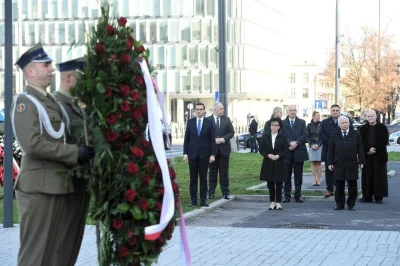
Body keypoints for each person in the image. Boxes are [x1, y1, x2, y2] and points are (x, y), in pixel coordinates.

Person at [11, 43, 94, 265]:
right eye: (46, 65)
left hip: (55, 185)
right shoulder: (25, 102)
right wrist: (74, 152)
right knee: (35, 255)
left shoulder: (49, 102)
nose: (51, 69)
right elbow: (33, 144)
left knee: (54, 253)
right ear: (30, 70)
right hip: (38, 186)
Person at [53, 57, 91, 266]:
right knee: (62, 241)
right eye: (81, 79)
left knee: (73, 242)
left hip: (79, 185)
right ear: (68, 77)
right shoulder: (56, 105)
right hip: (66, 182)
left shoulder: (75, 106)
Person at [328, 115, 365, 211]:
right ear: (339, 125)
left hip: (352, 163)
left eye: (346, 122)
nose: (344, 124)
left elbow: (360, 148)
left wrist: (361, 161)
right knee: (339, 185)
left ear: (349, 123)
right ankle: (339, 204)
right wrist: (330, 163)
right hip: (338, 163)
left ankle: (351, 204)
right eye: (342, 123)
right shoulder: (334, 134)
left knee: (352, 185)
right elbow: (331, 150)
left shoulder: (355, 133)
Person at [183, 103, 216, 207]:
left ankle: (203, 200)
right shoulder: (190, 122)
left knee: (203, 178)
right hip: (192, 154)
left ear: (204, 111)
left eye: (201, 109)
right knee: (193, 179)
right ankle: (193, 201)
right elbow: (186, 139)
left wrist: (212, 154)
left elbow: (212, 141)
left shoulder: (209, 123)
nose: (199, 111)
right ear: (195, 111)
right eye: (197, 109)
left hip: (204, 155)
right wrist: (185, 153)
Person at [359, 110, 389, 204]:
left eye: (372, 116)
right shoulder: (362, 128)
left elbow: (384, 140)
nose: (370, 118)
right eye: (368, 116)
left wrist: (374, 149)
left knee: (379, 176)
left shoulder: (382, 127)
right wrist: (368, 149)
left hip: (379, 156)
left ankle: (378, 197)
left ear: (376, 116)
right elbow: (360, 142)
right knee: (367, 176)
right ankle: (367, 196)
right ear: (366, 117)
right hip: (367, 156)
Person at [259, 118, 289, 211]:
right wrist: (268, 155)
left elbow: (286, 150)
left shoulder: (283, 137)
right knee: (270, 183)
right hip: (268, 162)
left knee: (279, 183)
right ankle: (272, 201)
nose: (274, 127)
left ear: (279, 126)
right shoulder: (265, 136)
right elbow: (261, 150)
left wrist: (278, 156)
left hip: (279, 162)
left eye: (276, 125)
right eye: (272, 125)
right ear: (269, 126)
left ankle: (278, 202)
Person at [207, 102, 235, 200]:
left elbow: (231, 132)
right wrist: (213, 140)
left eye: (223, 108)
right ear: (215, 110)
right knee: (212, 173)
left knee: (224, 173)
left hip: (224, 150)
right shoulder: (208, 120)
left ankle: (226, 192)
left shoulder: (226, 120)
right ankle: (210, 193)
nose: (223, 110)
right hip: (212, 152)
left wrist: (223, 139)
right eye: (221, 109)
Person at [281, 105, 309, 203]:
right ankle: (287, 195)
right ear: (287, 111)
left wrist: (296, 143)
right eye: (290, 110)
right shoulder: (283, 123)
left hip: (299, 151)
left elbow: (305, 135)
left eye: (294, 110)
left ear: (296, 111)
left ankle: (298, 195)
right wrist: (290, 142)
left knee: (298, 175)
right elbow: (281, 136)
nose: (292, 112)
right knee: (286, 175)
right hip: (287, 152)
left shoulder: (301, 122)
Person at [319, 104, 341, 197]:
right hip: (328, 150)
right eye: (333, 110)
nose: (335, 112)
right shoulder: (324, 122)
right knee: (329, 171)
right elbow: (321, 134)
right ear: (330, 111)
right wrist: (331, 143)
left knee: (339, 171)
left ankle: (338, 189)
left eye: (337, 110)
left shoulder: (344, 121)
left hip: (341, 151)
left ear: (339, 111)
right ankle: (329, 189)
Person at [306, 111, 323, 186]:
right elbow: (307, 136)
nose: (319, 117)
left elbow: (322, 135)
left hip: (320, 145)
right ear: (313, 116)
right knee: (313, 163)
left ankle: (319, 180)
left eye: (319, 115)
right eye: (317, 115)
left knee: (319, 163)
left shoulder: (321, 124)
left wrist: (318, 145)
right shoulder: (309, 125)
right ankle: (314, 180)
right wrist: (311, 144)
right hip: (311, 146)